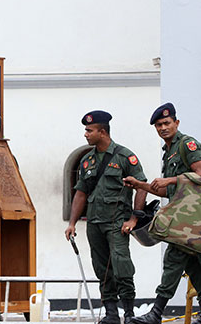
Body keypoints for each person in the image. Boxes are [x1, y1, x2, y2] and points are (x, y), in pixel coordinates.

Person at [64, 110, 147, 324]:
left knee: (121, 265)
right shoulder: (87, 160)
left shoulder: (124, 156)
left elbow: (142, 187)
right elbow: (81, 192)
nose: (85, 134)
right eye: (85, 130)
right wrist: (72, 223)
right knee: (101, 267)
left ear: (102, 132)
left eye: (89, 130)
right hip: (95, 222)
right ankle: (111, 313)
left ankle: (129, 313)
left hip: (118, 222)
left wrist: (134, 219)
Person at [124, 103, 201, 324]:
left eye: (167, 123)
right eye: (159, 125)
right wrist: (140, 184)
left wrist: (172, 179)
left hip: (193, 218)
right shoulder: (169, 152)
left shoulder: (187, 145)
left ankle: (156, 312)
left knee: (174, 258)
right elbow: (168, 190)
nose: (163, 128)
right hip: (186, 219)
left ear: (176, 123)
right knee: (192, 265)